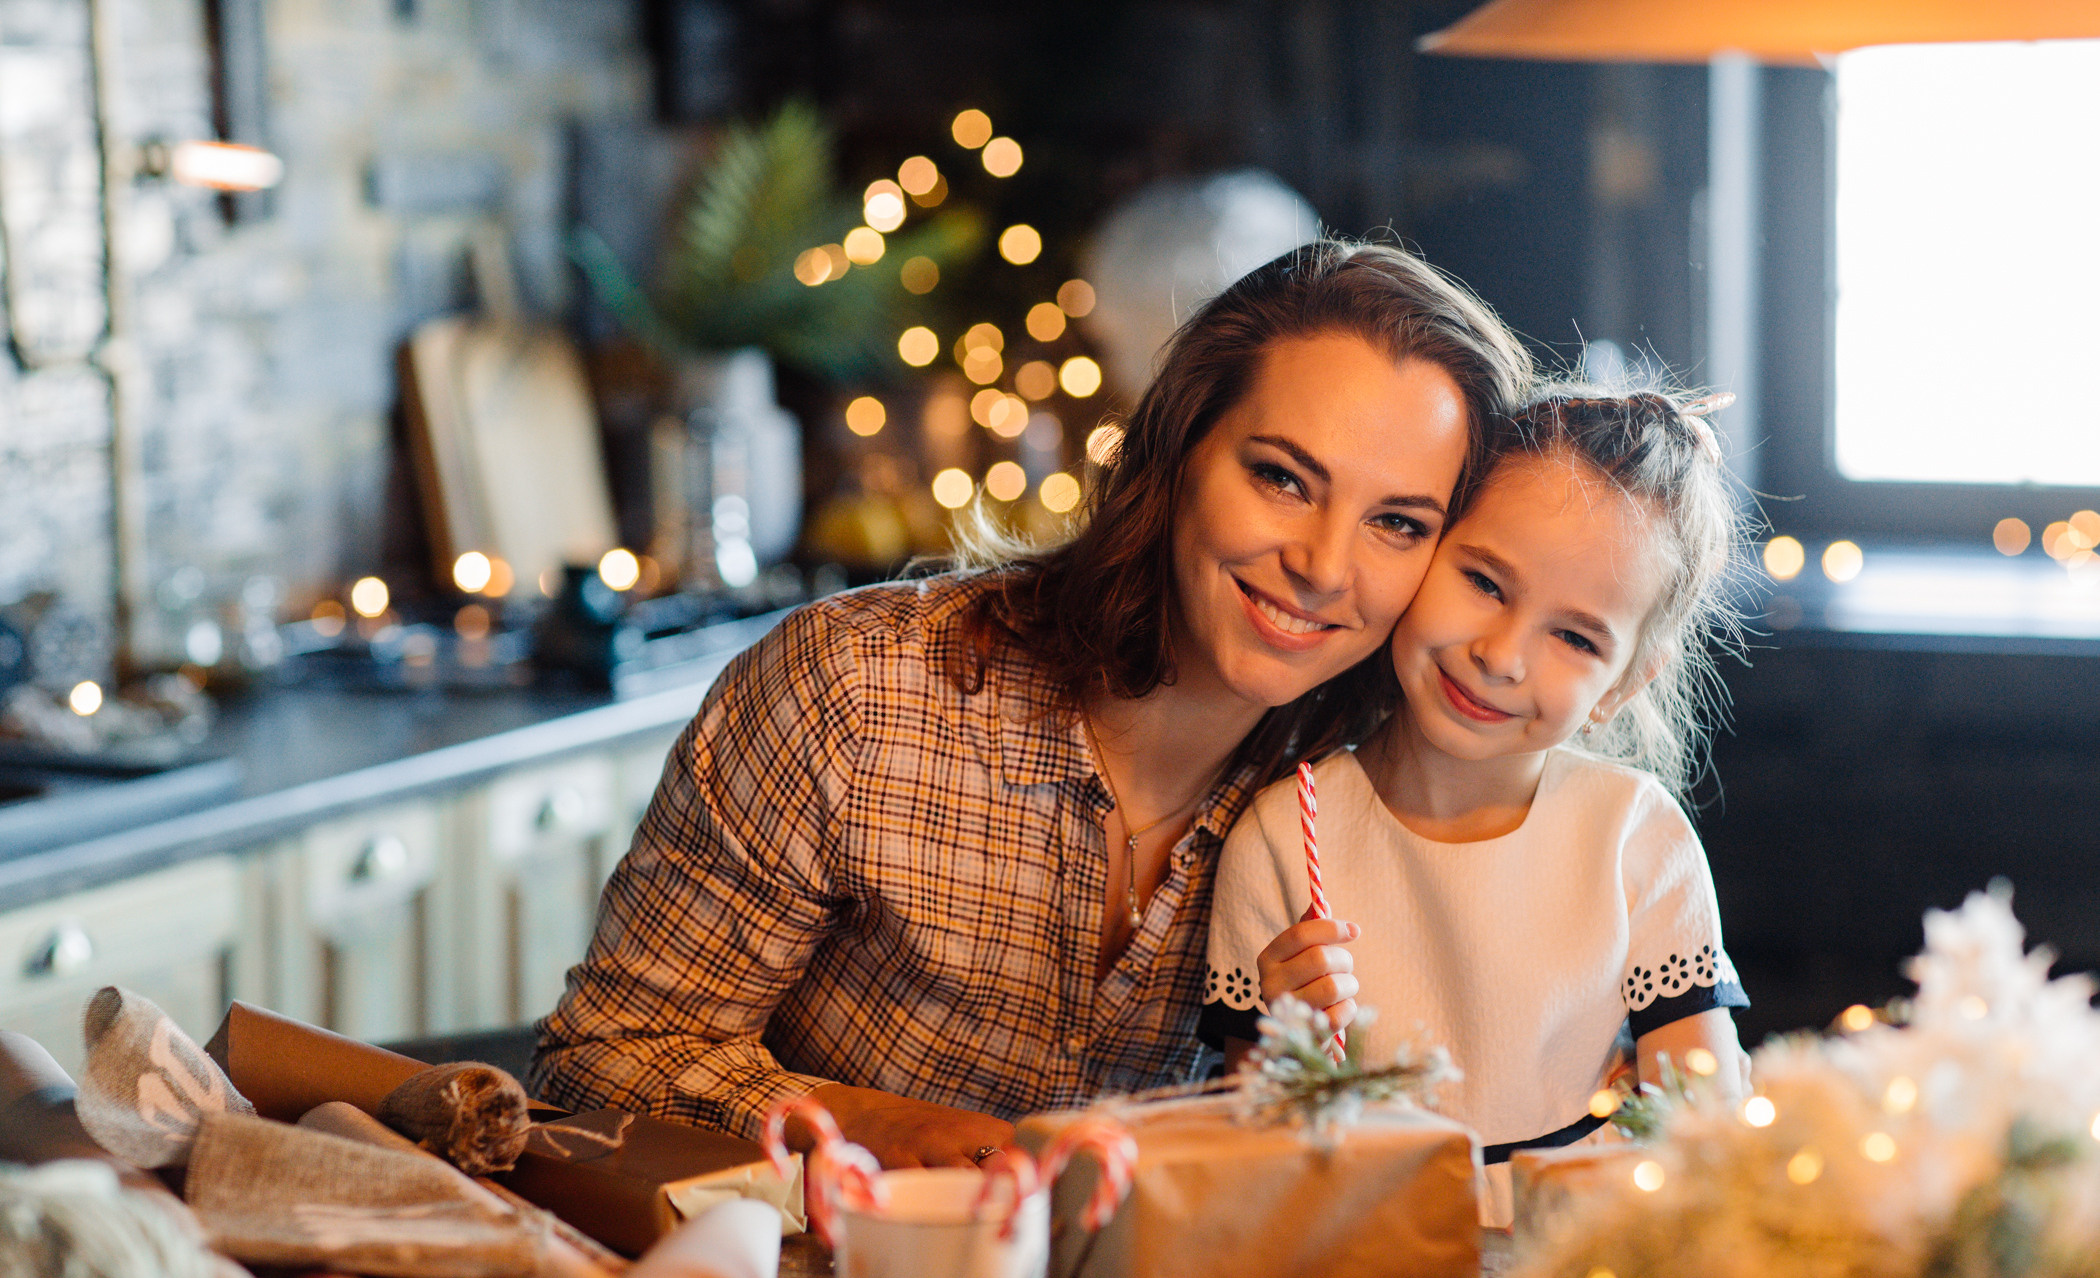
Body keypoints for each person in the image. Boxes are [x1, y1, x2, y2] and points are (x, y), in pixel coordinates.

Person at [531, 240, 1532, 1169]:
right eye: (1280, 477)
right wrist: (882, 1125)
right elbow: (601, 1065)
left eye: (1397, 523)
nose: (1321, 566)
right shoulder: (855, 691)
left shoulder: (1375, 804)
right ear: (1177, 449)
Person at [1202, 385, 1752, 1218]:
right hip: (1364, 1248)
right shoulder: (1286, 833)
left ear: (1625, 684)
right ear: (1422, 551)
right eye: (1486, 582)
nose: (1500, 656)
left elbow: (1706, 1126)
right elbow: (1256, 1151)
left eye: (1574, 637)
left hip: (1580, 1259)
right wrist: (1286, 1042)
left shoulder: (1634, 838)